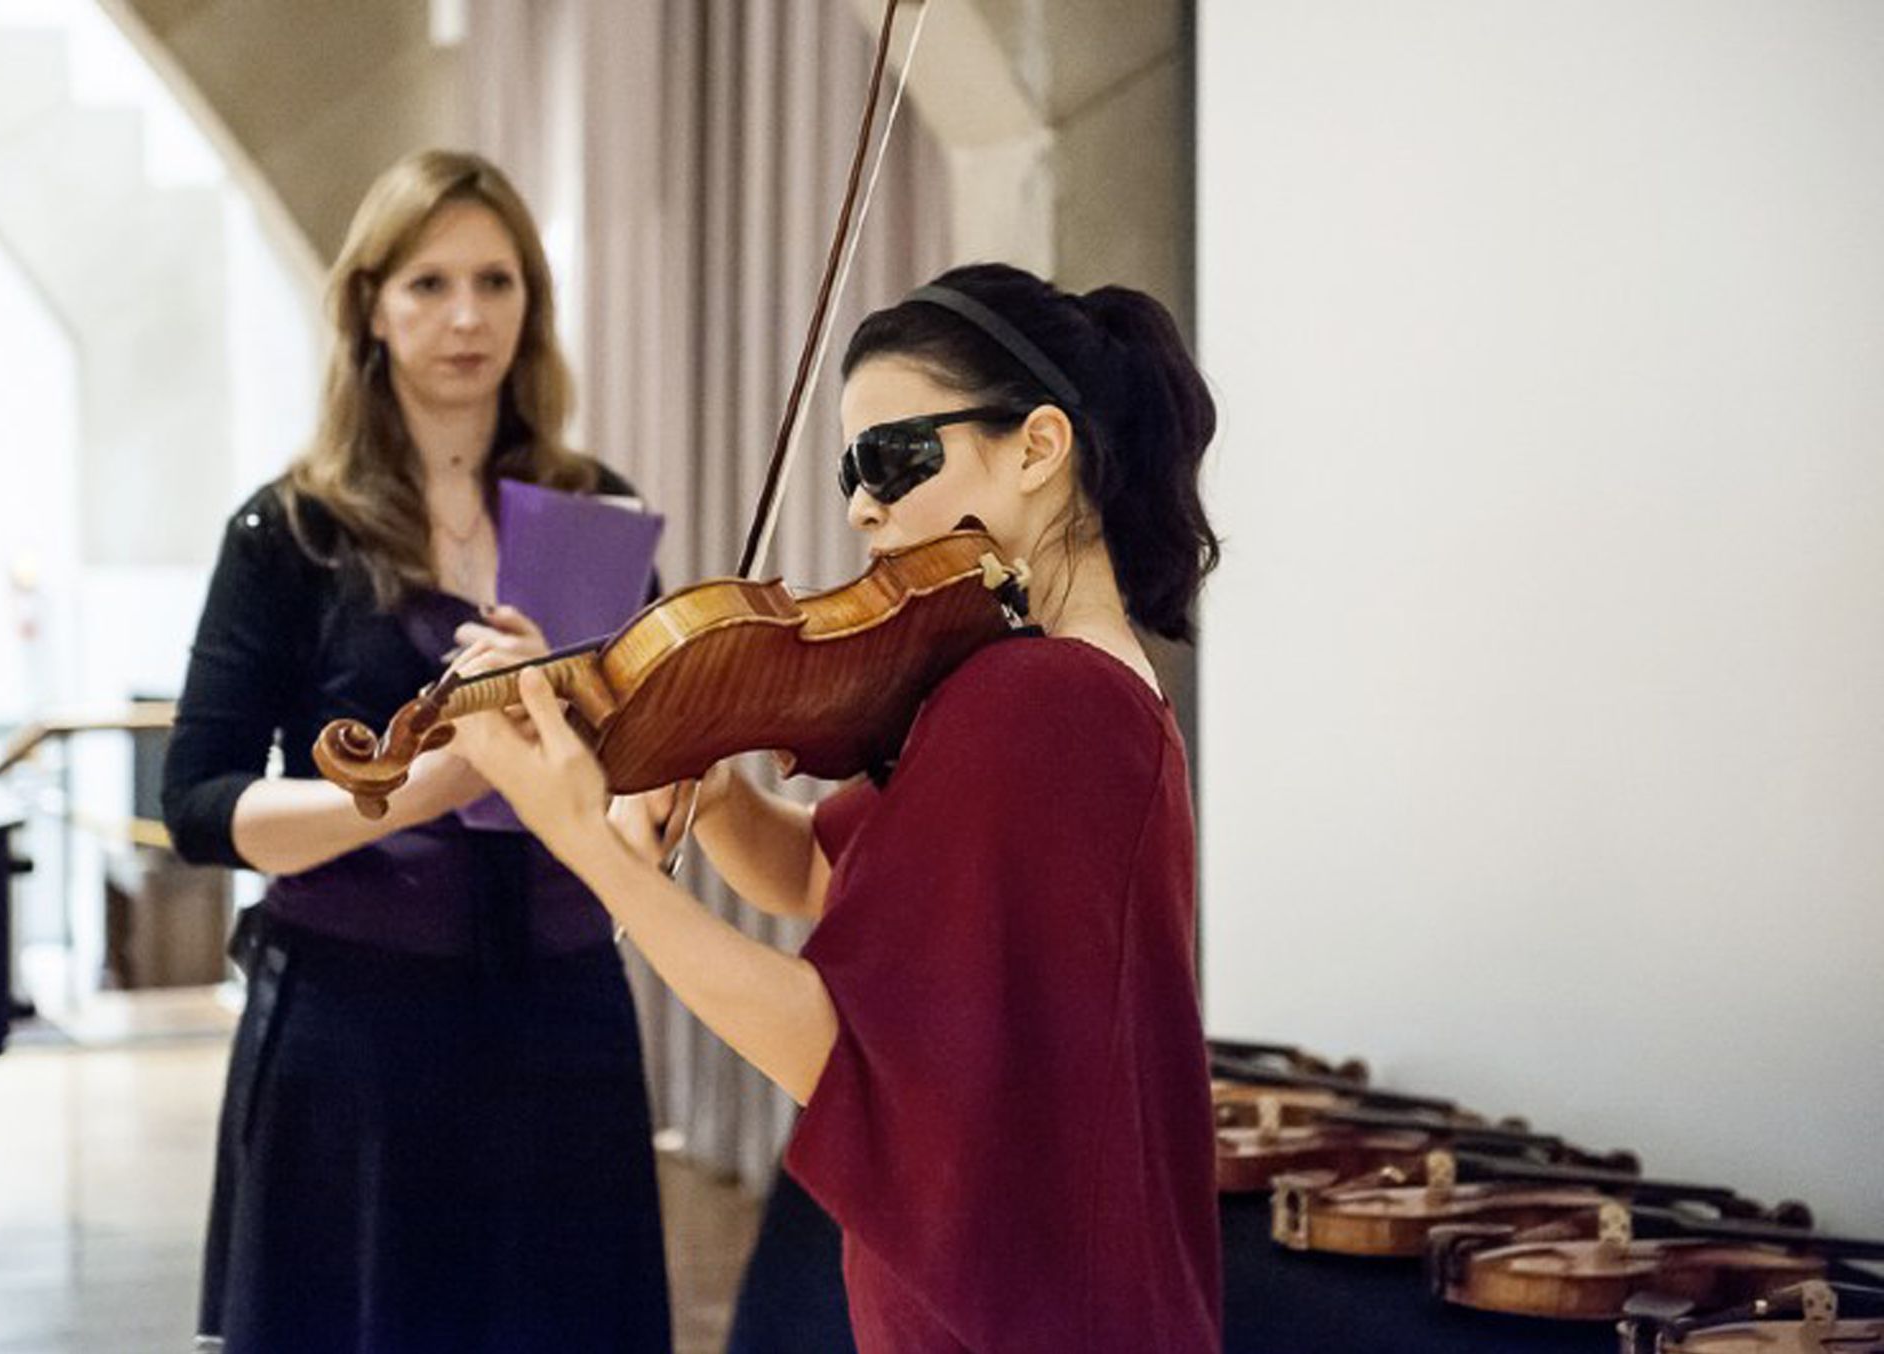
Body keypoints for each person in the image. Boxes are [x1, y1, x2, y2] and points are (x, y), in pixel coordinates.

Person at [449, 262, 1224, 1351]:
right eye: (849, 468)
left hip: (1022, 1308)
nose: (863, 502)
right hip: (1044, 1285)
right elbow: (818, 875)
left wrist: (589, 842)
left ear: (1041, 448)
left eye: (894, 457)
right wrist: (709, 774)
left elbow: (844, 1047)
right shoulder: (1043, 680)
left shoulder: (1040, 698)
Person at [162, 149, 670, 1353]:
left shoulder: (589, 512)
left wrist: (603, 753)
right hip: (355, 1028)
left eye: (496, 283)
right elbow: (198, 799)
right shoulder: (293, 529)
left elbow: (638, 787)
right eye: (429, 283)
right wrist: (417, 789)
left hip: (561, 1017)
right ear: (371, 308)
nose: (466, 317)